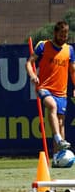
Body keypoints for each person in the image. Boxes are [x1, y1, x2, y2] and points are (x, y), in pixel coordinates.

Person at [25, 21, 75, 166]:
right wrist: (33, 75)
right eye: (61, 34)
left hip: (62, 91)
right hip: (45, 87)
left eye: (65, 35)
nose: (63, 37)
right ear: (55, 33)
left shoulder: (69, 50)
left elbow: (72, 70)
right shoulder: (43, 45)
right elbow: (29, 62)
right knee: (51, 106)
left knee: (61, 123)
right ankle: (58, 139)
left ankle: (58, 157)